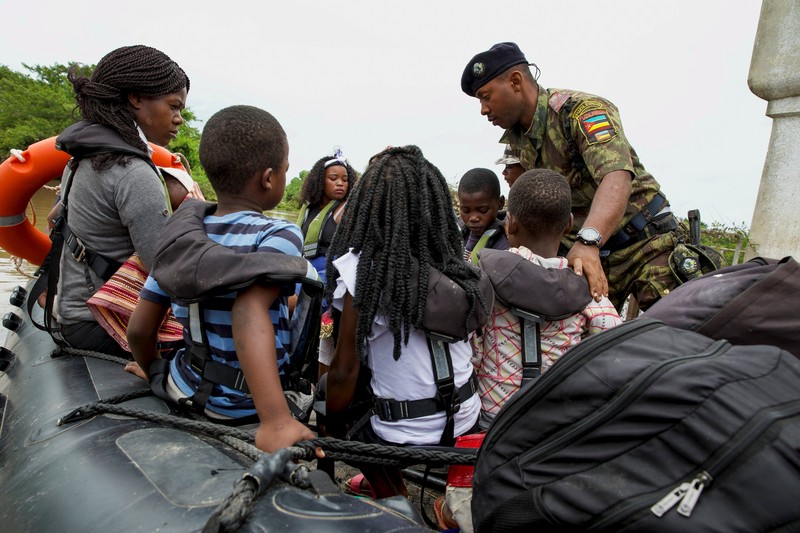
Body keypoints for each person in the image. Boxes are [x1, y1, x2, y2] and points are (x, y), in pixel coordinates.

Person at [442, 169, 623, 533]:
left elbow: (471, 353)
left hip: (492, 421)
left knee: (467, 508)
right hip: (551, 426)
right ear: (570, 223)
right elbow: (610, 348)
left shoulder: (484, 278)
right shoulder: (590, 292)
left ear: (510, 224)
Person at [126, 105, 315, 453]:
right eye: (286, 171)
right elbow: (247, 312)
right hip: (243, 405)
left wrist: (154, 369)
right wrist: (276, 421)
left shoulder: (180, 234)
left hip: (184, 385)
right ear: (269, 178)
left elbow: (139, 329)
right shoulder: (279, 234)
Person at [461, 42, 682, 311]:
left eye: (486, 97)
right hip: (581, 252)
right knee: (573, 339)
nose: (483, 109)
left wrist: (589, 241)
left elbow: (616, 177)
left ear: (516, 81)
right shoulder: (518, 140)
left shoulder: (581, 112)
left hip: (643, 242)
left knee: (675, 328)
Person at [324, 145, 487, 498]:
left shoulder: (364, 270)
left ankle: (392, 493)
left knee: (336, 408)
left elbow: (343, 371)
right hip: (466, 417)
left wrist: (331, 428)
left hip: (405, 434)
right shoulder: (456, 261)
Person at [51, 45, 189, 356]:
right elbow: (166, 269)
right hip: (96, 322)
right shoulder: (132, 171)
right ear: (136, 98)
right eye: (173, 106)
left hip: (71, 317)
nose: (178, 119)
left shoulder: (82, 160)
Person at [296, 149, 358, 377]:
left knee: (320, 336)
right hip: (303, 274)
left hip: (328, 280)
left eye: (345, 179)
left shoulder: (346, 208)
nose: (341, 184)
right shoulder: (308, 210)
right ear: (319, 181)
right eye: (334, 179)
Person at [458, 167, 509, 264]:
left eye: (483, 210)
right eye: (466, 210)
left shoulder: (504, 243)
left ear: (500, 203)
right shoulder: (458, 233)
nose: (473, 218)